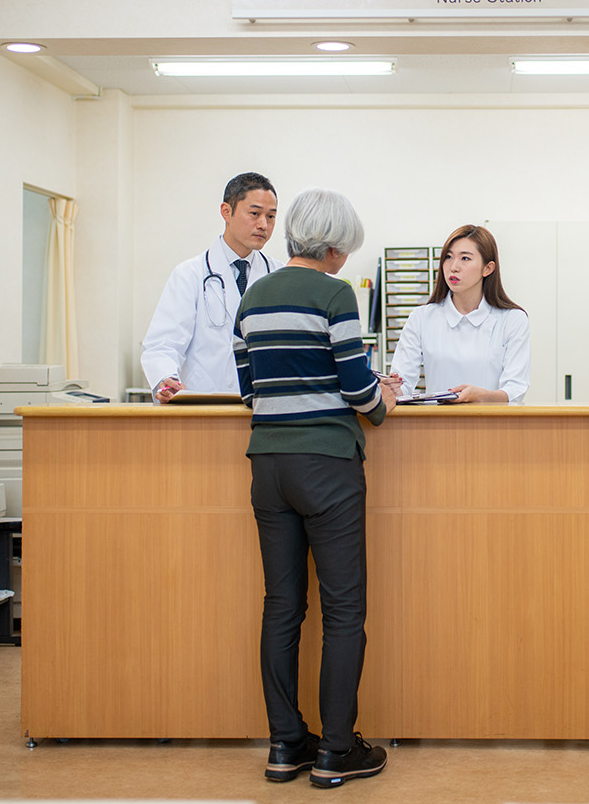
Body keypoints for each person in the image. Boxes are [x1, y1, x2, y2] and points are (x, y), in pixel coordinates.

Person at [232, 187, 395, 789]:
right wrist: (383, 404)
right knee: (344, 609)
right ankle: (335, 751)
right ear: (329, 246)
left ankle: (284, 745)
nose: (345, 260)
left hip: (268, 467)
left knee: (283, 606)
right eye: (344, 250)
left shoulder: (253, 296)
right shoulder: (334, 295)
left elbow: (249, 387)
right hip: (326, 464)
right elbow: (357, 386)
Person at [141, 172, 280, 401]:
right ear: (227, 211)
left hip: (262, 411)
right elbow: (162, 346)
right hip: (204, 411)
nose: (263, 224)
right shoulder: (190, 275)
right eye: (254, 213)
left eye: (271, 216)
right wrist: (166, 380)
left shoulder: (278, 275)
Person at [386, 224, 530, 403]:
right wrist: (393, 388)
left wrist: (483, 396)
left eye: (465, 258)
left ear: (488, 268)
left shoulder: (513, 319)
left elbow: (515, 389)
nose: (453, 267)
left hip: (493, 425)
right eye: (448, 257)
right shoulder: (421, 318)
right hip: (437, 426)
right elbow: (403, 385)